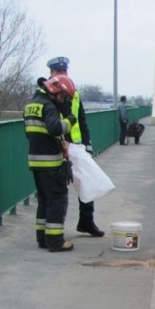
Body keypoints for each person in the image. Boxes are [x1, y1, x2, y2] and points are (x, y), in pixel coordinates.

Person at [47, 56, 105, 238]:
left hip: (76, 145)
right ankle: (54, 231)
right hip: (58, 146)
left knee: (86, 182)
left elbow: (81, 120)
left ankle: (86, 221)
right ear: (51, 73)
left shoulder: (74, 92)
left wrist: (87, 143)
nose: (62, 74)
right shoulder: (49, 93)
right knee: (57, 190)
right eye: (59, 71)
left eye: (64, 71)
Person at [23, 75, 76, 252]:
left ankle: (42, 238)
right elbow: (55, 128)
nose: (63, 101)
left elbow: (29, 133)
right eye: (63, 97)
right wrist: (70, 119)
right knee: (57, 200)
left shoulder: (32, 104)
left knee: (44, 201)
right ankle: (55, 240)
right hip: (50, 163)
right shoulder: (49, 106)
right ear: (56, 90)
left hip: (35, 161)